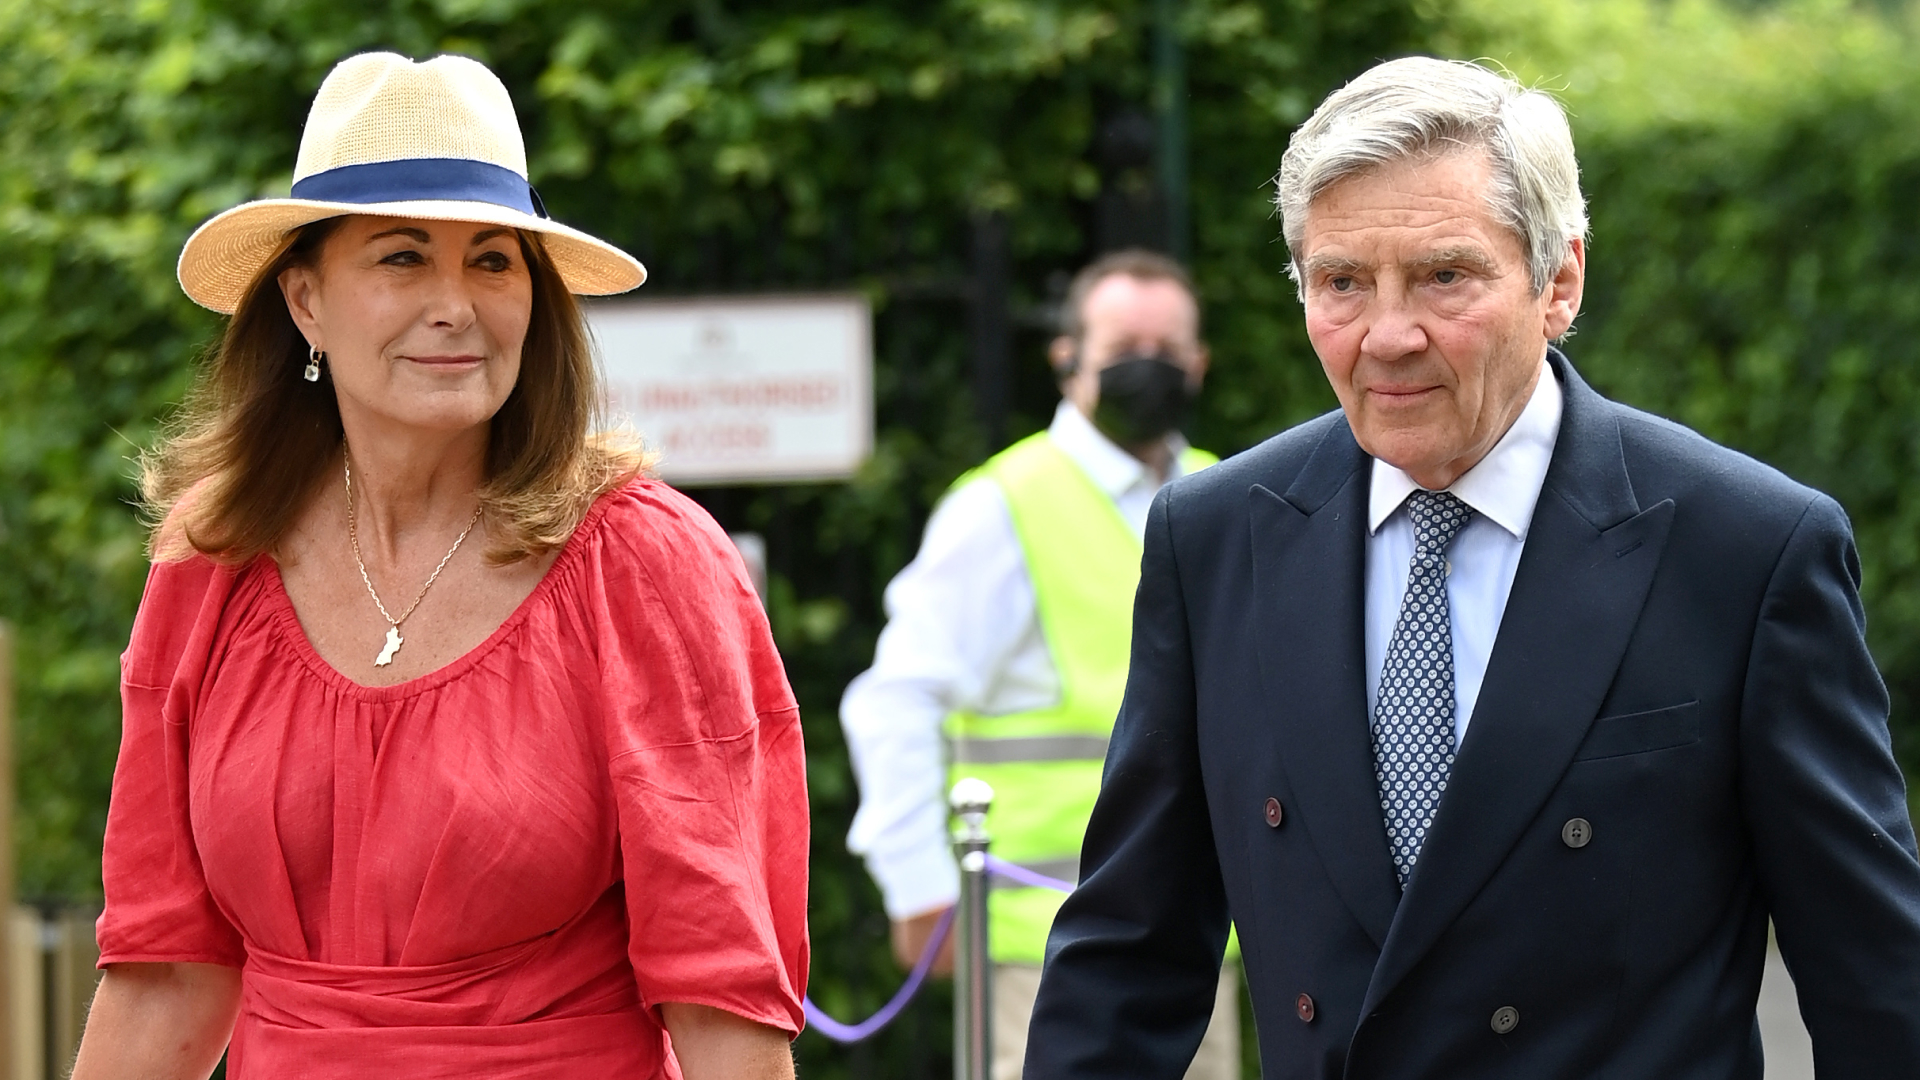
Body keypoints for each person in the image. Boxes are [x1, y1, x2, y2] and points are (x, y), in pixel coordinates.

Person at [1025, 56, 1920, 1079]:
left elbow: (1873, 977)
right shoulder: (1217, 537)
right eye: (1342, 283)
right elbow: (1129, 958)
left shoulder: (1748, 549)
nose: (1388, 336)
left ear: (1561, 282)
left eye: (1444, 276)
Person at [71, 53, 807, 1080]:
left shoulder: (645, 563)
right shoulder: (210, 558)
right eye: (403, 258)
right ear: (305, 302)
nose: (456, 303)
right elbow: (167, 970)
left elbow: (721, 995)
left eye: (494, 261)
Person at [840, 250, 1239, 1080]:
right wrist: (919, 887)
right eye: (1126, 343)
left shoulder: (1223, 498)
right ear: (1067, 358)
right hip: (1045, 958)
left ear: (1200, 366)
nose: (1150, 367)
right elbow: (894, 701)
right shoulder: (1002, 507)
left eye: (1170, 351)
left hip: (1201, 949)